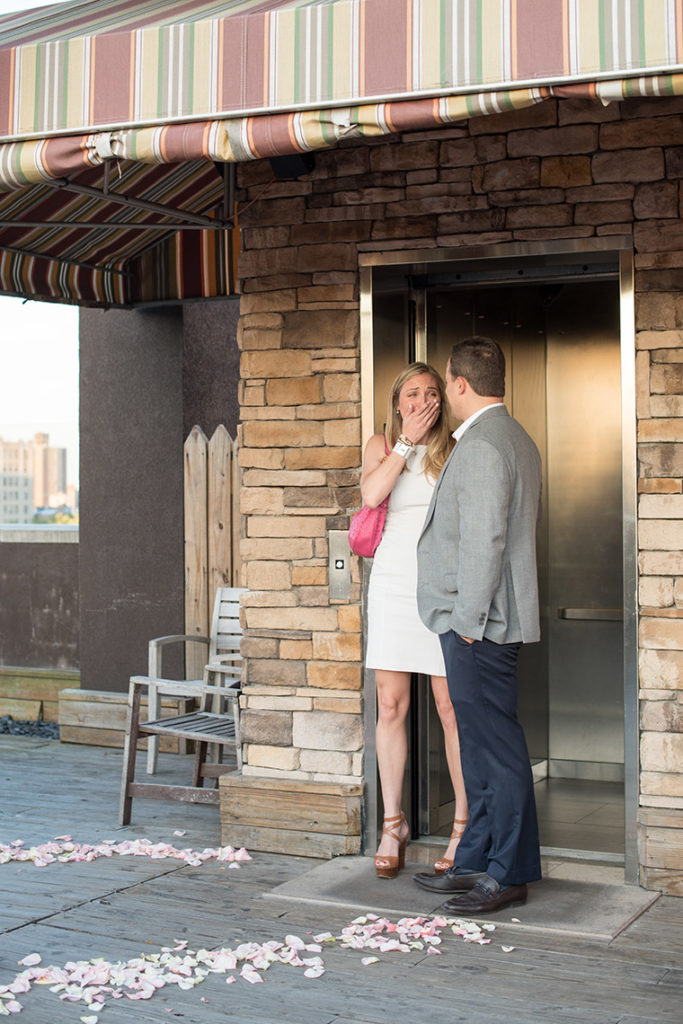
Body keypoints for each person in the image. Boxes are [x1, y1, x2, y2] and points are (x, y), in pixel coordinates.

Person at [413, 337, 542, 914]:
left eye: (446, 382)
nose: (446, 391)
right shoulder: (512, 436)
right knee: (482, 745)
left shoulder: (486, 444)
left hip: (481, 624)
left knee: (497, 749)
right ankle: (476, 862)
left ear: (460, 384)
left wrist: (467, 621)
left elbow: (486, 539)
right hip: (484, 621)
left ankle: (508, 873)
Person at [361, 362, 469, 880]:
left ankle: (464, 825)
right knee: (390, 704)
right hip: (393, 585)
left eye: (431, 392)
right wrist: (404, 443)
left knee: (451, 707)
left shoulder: (456, 447)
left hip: (442, 589)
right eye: (412, 393)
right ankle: (393, 823)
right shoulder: (381, 445)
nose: (422, 400)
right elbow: (371, 495)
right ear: (397, 401)